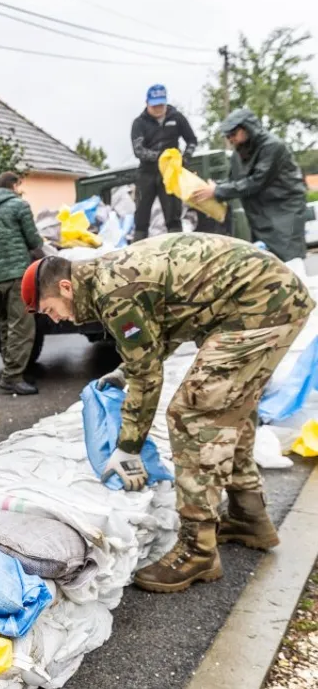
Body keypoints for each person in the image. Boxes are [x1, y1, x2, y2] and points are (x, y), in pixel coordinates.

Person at [20, 234, 314, 593]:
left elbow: (149, 376)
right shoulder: (105, 279)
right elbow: (163, 327)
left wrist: (128, 448)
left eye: (50, 309)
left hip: (260, 308)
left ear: (65, 287)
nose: (57, 320)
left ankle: (198, 549)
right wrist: (123, 372)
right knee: (231, 407)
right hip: (262, 300)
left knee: (192, 414)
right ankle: (248, 515)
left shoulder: (113, 292)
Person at [191, 108, 308, 264]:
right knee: (267, 263)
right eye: (227, 136)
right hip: (260, 215)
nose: (230, 139)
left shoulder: (272, 147)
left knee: (290, 260)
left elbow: (257, 181)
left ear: (247, 128)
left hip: (284, 211)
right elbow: (233, 181)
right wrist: (207, 188)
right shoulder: (238, 155)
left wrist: (217, 191)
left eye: (233, 134)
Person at [0, 171, 45, 396]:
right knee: (23, 326)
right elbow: (33, 240)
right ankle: (12, 377)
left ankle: (12, 369)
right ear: (14, 185)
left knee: (6, 325)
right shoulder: (18, 206)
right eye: (20, 185)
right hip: (17, 273)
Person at [130, 84, 198, 241]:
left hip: (170, 173)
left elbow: (192, 140)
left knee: (173, 215)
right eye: (155, 105)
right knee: (141, 216)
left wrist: (185, 158)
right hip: (147, 173)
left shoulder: (177, 118)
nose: (158, 109)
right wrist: (160, 157)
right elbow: (138, 150)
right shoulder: (139, 123)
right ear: (147, 103)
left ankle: (177, 248)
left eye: (161, 105)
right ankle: (139, 248)